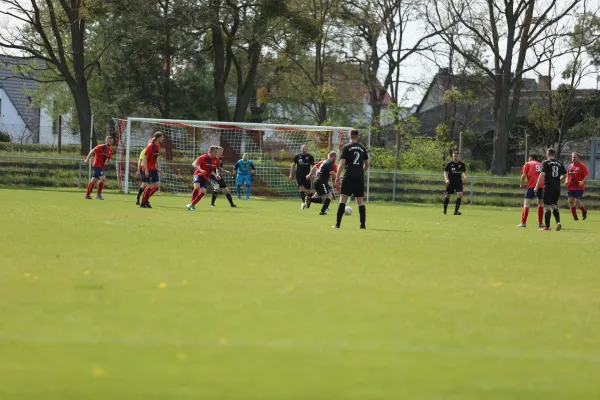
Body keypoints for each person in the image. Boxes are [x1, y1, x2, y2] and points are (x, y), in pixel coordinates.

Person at [334, 129, 369, 229]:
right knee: (360, 201)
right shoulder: (363, 148)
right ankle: (362, 225)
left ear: (350, 136)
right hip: (359, 177)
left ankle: (337, 224)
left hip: (349, 175)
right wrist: (360, 173)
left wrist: (337, 176)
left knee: (343, 199)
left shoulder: (347, 147)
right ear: (357, 137)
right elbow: (367, 165)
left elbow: (342, 163)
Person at [534, 148, 567, 231]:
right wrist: (559, 180)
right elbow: (565, 175)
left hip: (548, 187)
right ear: (554, 154)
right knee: (554, 205)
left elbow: (542, 174)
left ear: (547, 154)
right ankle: (558, 222)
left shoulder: (546, 163)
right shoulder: (559, 163)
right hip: (557, 187)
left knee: (547, 206)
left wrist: (537, 186)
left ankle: (547, 226)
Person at [517, 153, 545, 228]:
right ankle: (540, 223)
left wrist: (521, 184)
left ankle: (523, 223)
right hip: (540, 186)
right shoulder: (541, 164)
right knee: (540, 204)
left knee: (526, 204)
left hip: (531, 185)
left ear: (530, 158)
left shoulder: (528, 163)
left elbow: (523, 175)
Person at [187, 146, 218, 211]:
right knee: (197, 187)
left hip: (205, 177)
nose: (217, 153)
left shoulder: (216, 160)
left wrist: (215, 175)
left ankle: (192, 204)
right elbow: (194, 164)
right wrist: (201, 170)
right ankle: (192, 205)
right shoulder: (204, 157)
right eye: (215, 152)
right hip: (198, 174)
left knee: (203, 192)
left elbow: (211, 169)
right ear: (211, 151)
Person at [83, 136, 113, 200]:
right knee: (103, 178)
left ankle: (87, 195)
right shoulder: (100, 147)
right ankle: (99, 195)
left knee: (93, 180)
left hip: (101, 167)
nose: (111, 142)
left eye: (111, 141)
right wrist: (87, 159)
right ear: (106, 140)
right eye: (109, 141)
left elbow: (109, 159)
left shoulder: (110, 150)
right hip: (96, 165)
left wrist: (109, 161)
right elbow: (92, 151)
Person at [140, 131, 164, 208]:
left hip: (153, 168)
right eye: (162, 137)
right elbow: (145, 158)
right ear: (158, 138)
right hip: (147, 169)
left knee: (157, 186)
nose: (163, 138)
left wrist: (158, 167)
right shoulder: (150, 146)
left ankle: (146, 200)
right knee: (149, 186)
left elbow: (155, 158)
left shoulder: (158, 146)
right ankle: (142, 203)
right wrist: (146, 170)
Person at [566, 152, 589, 221]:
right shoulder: (570, 166)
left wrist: (582, 182)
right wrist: (566, 181)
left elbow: (587, 175)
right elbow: (568, 175)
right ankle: (575, 216)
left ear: (578, 158)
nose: (573, 159)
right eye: (572, 157)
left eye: (575, 157)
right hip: (571, 186)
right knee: (570, 200)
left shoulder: (582, 166)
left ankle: (584, 211)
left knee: (576, 201)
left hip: (579, 187)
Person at [443, 150, 468, 215]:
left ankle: (456, 211)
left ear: (458, 156)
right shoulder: (449, 164)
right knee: (447, 195)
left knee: (460, 194)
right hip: (450, 182)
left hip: (458, 182)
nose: (455, 157)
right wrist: (446, 179)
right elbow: (445, 172)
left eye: (456, 156)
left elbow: (464, 172)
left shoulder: (462, 164)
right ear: (452, 156)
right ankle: (444, 211)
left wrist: (465, 177)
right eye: (454, 156)